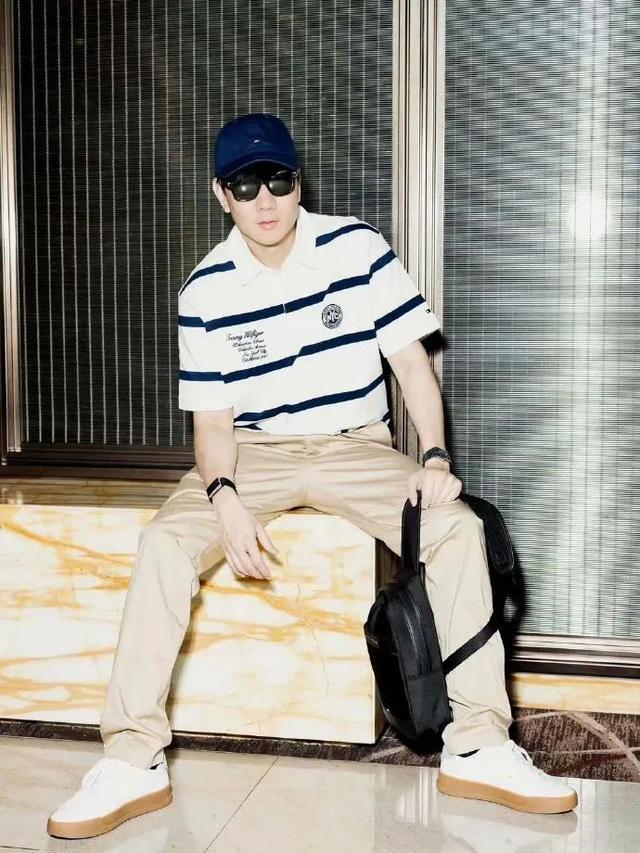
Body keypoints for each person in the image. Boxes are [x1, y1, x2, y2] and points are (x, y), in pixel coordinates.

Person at [47, 113, 577, 839]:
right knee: (164, 541)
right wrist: (223, 495)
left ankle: (480, 743)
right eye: (245, 185)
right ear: (221, 195)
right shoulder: (205, 290)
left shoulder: (356, 247)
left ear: (299, 183)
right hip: (253, 451)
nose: (264, 199)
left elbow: (412, 365)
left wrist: (434, 458)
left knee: (457, 528)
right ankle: (132, 758)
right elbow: (212, 426)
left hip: (353, 446)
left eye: (278, 180)